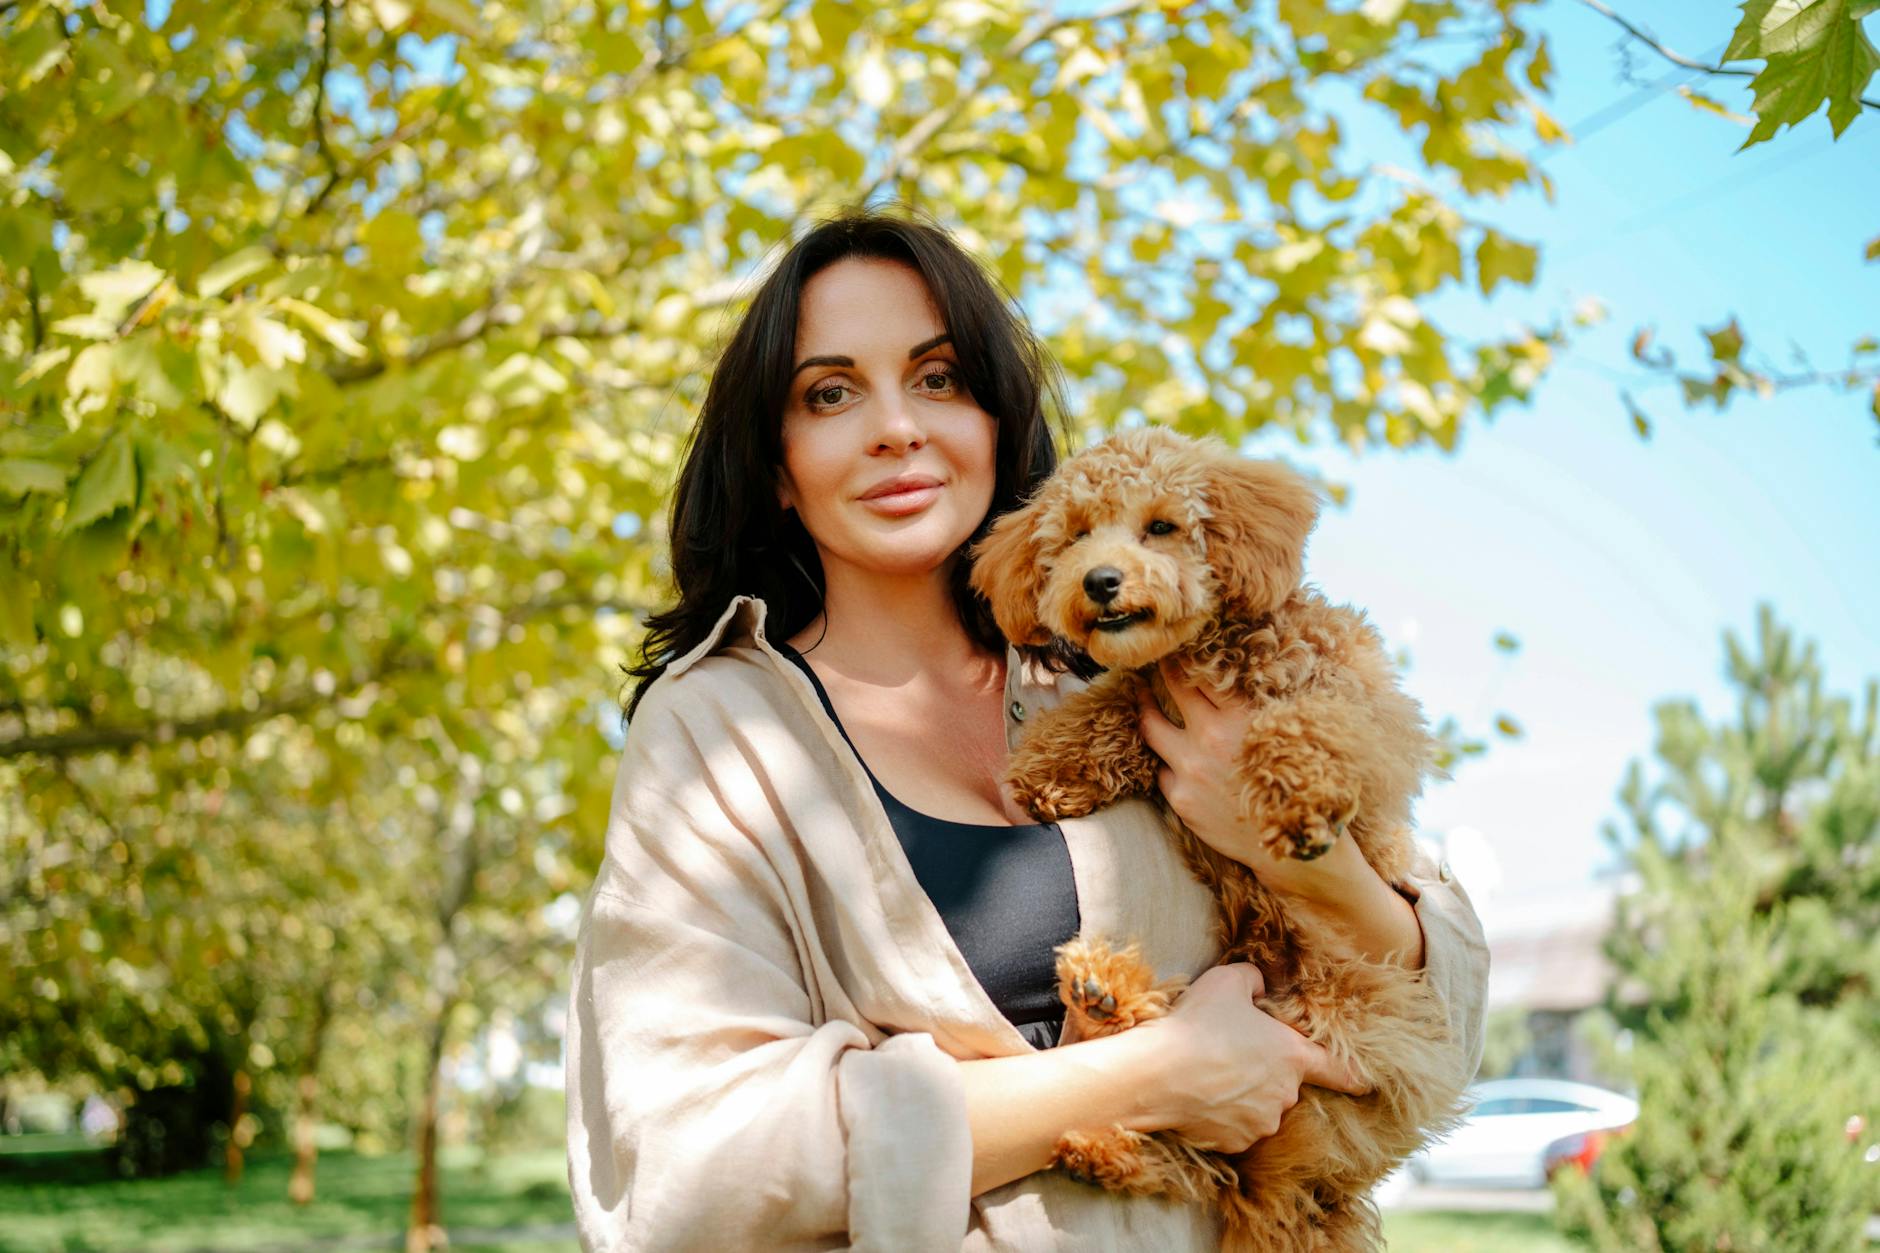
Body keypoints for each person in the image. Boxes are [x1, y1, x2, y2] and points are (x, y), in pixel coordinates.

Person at [564, 209, 1489, 1252]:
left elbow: (1437, 1036)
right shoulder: (719, 736)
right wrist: (1153, 1071)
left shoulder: (1140, 670)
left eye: (937, 377)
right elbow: (691, 1169)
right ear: (777, 462)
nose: (894, 427)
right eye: (830, 392)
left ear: (995, 418)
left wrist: (1310, 862)